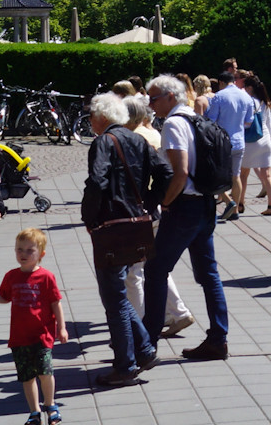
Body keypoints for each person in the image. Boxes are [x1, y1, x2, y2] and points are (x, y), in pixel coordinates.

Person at [81, 93, 171, 385]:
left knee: (113, 298)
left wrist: (89, 218)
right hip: (136, 223)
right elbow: (165, 173)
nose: (90, 121)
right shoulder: (137, 139)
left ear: (102, 117)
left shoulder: (104, 142)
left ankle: (126, 365)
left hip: (111, 225)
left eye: (92, 115)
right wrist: (149, 201)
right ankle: (143, 351)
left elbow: (97, 181)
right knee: (118, 292)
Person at [144, 74, 232, 361]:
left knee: (156, 271)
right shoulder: (196, 118)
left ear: (171, 97)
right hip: (207, 203)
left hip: (184, 207)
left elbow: (180, 172)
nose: (150, 103)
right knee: (209, 274)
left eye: (154, 98)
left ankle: (148, 343)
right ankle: (218, 338)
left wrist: (165, 202)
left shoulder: (173, 123)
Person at [120, 93, 194, 340]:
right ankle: (178, 312)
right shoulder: (152, 134)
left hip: (142, 210)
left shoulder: (134, 138)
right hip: (155, 209)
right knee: (153, 266)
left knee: (134, 273)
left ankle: (140, 324)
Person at [0, 228, 64, 418]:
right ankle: (34, 411)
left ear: (41, 254)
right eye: (20, 249)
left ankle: (50, 404)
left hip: (42, 335)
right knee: (27, 377)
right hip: (20, 338)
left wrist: (61, 328)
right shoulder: (11, 276)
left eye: (30, 250)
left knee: (45, 372)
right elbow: (5, 297)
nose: (24, 254)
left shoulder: (46, 277)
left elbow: (56, 303)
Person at [202, 70, 256, 221]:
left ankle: (228, 201)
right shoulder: (246, 97)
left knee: (217, 174)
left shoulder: (219, 96)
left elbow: (211, 120)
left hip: (222, 141)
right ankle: (235, 210)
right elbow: (249, 121)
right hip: (239, 140)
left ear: (221, 82)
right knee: (236, 175)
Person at [238, 75, 271, 217]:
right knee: (267, 175)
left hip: (250, 141)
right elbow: (269, 124)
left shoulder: (247, 102)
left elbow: (246, 123)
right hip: (265, 139)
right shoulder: (265, 102)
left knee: (243, 174)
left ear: (249, 88)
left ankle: (240, 203)